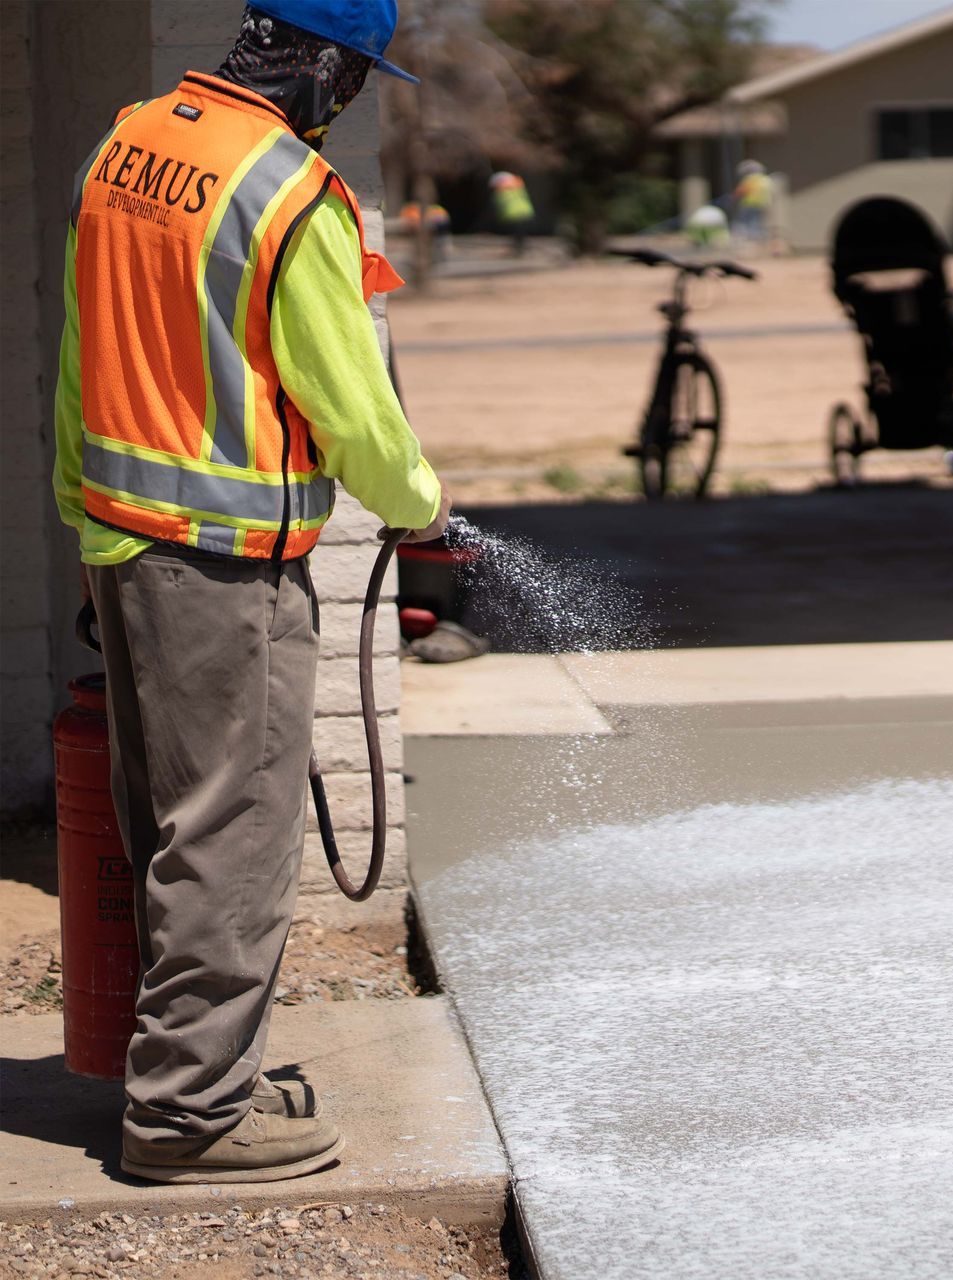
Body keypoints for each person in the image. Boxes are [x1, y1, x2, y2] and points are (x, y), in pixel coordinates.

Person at [52, 0, 449, 1184]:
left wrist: (87, 521)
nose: (353, 102)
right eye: (357, 79)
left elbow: (84, 356)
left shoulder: (128, 143)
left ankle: (191, 1069)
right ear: (321, 62)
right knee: (230, 837)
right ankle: (189, 1116)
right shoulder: (287, 193)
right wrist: (420, 503)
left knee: (169, 823)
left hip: (125, 543)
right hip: (225, 568)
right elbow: (353, 407)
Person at [489, 170, 535, 256]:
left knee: (518, 234)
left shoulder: (501, 192)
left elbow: (500, 206)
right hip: (525, 213)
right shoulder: (519, 188)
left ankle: (518, 250)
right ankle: (519, 250)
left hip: (515, 215)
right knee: (519, 235)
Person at [732, 159, 771, 245]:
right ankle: (759, 240)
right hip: (762, 204)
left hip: (749, 204)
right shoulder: (765, 179)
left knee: (746, 224)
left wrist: (733, 197)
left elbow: (742, 191)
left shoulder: (750, 179)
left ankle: (750, 242)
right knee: (757, 223)